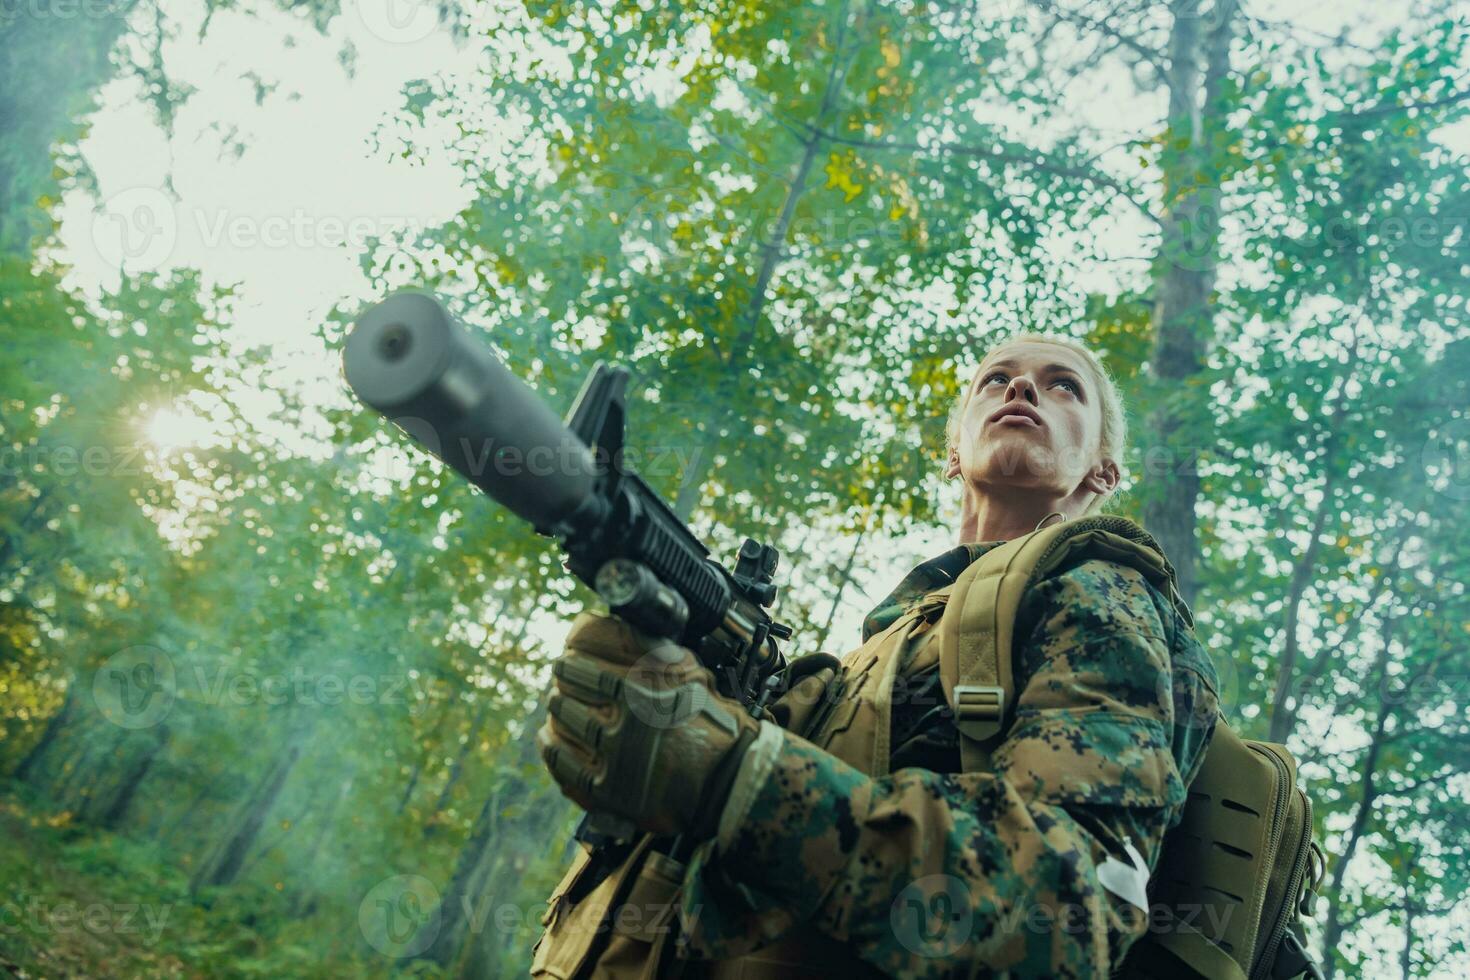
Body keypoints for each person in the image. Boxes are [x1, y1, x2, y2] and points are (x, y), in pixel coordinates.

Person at [534, 335, 1221, 978]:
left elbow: (1065, 908)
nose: (1020, 390)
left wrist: (732, 779)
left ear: (1103, 470)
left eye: (1062, 386)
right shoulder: (887, 644)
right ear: (954, 452)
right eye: (997, 380)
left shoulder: (1101, 588)